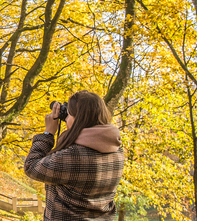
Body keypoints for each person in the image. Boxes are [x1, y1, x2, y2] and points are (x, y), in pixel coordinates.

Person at [24, 90, 125, 220]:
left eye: (69, 115)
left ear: (79, 120)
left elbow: (31, 166)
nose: (65, 119)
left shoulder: (73, 156)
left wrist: (48, 134)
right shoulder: (117, 151)